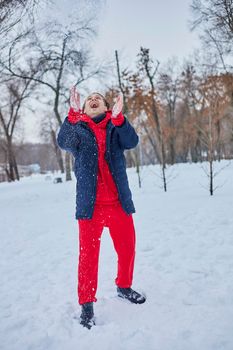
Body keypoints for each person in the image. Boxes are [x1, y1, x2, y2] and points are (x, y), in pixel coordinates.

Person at [57, 87, 146, 330]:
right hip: (90, 207)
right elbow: (63, 142)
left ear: (107, 107)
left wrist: (120, 119)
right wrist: (72, 116)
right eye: (89, 99)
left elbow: (132, 141)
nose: (93, 99)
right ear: (84, 108)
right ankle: (87, 305)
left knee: (127, 249)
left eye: (98, 98)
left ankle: (124, 286)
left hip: (119, 204)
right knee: (88, 258)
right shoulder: (77, 129)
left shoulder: (116, 127)